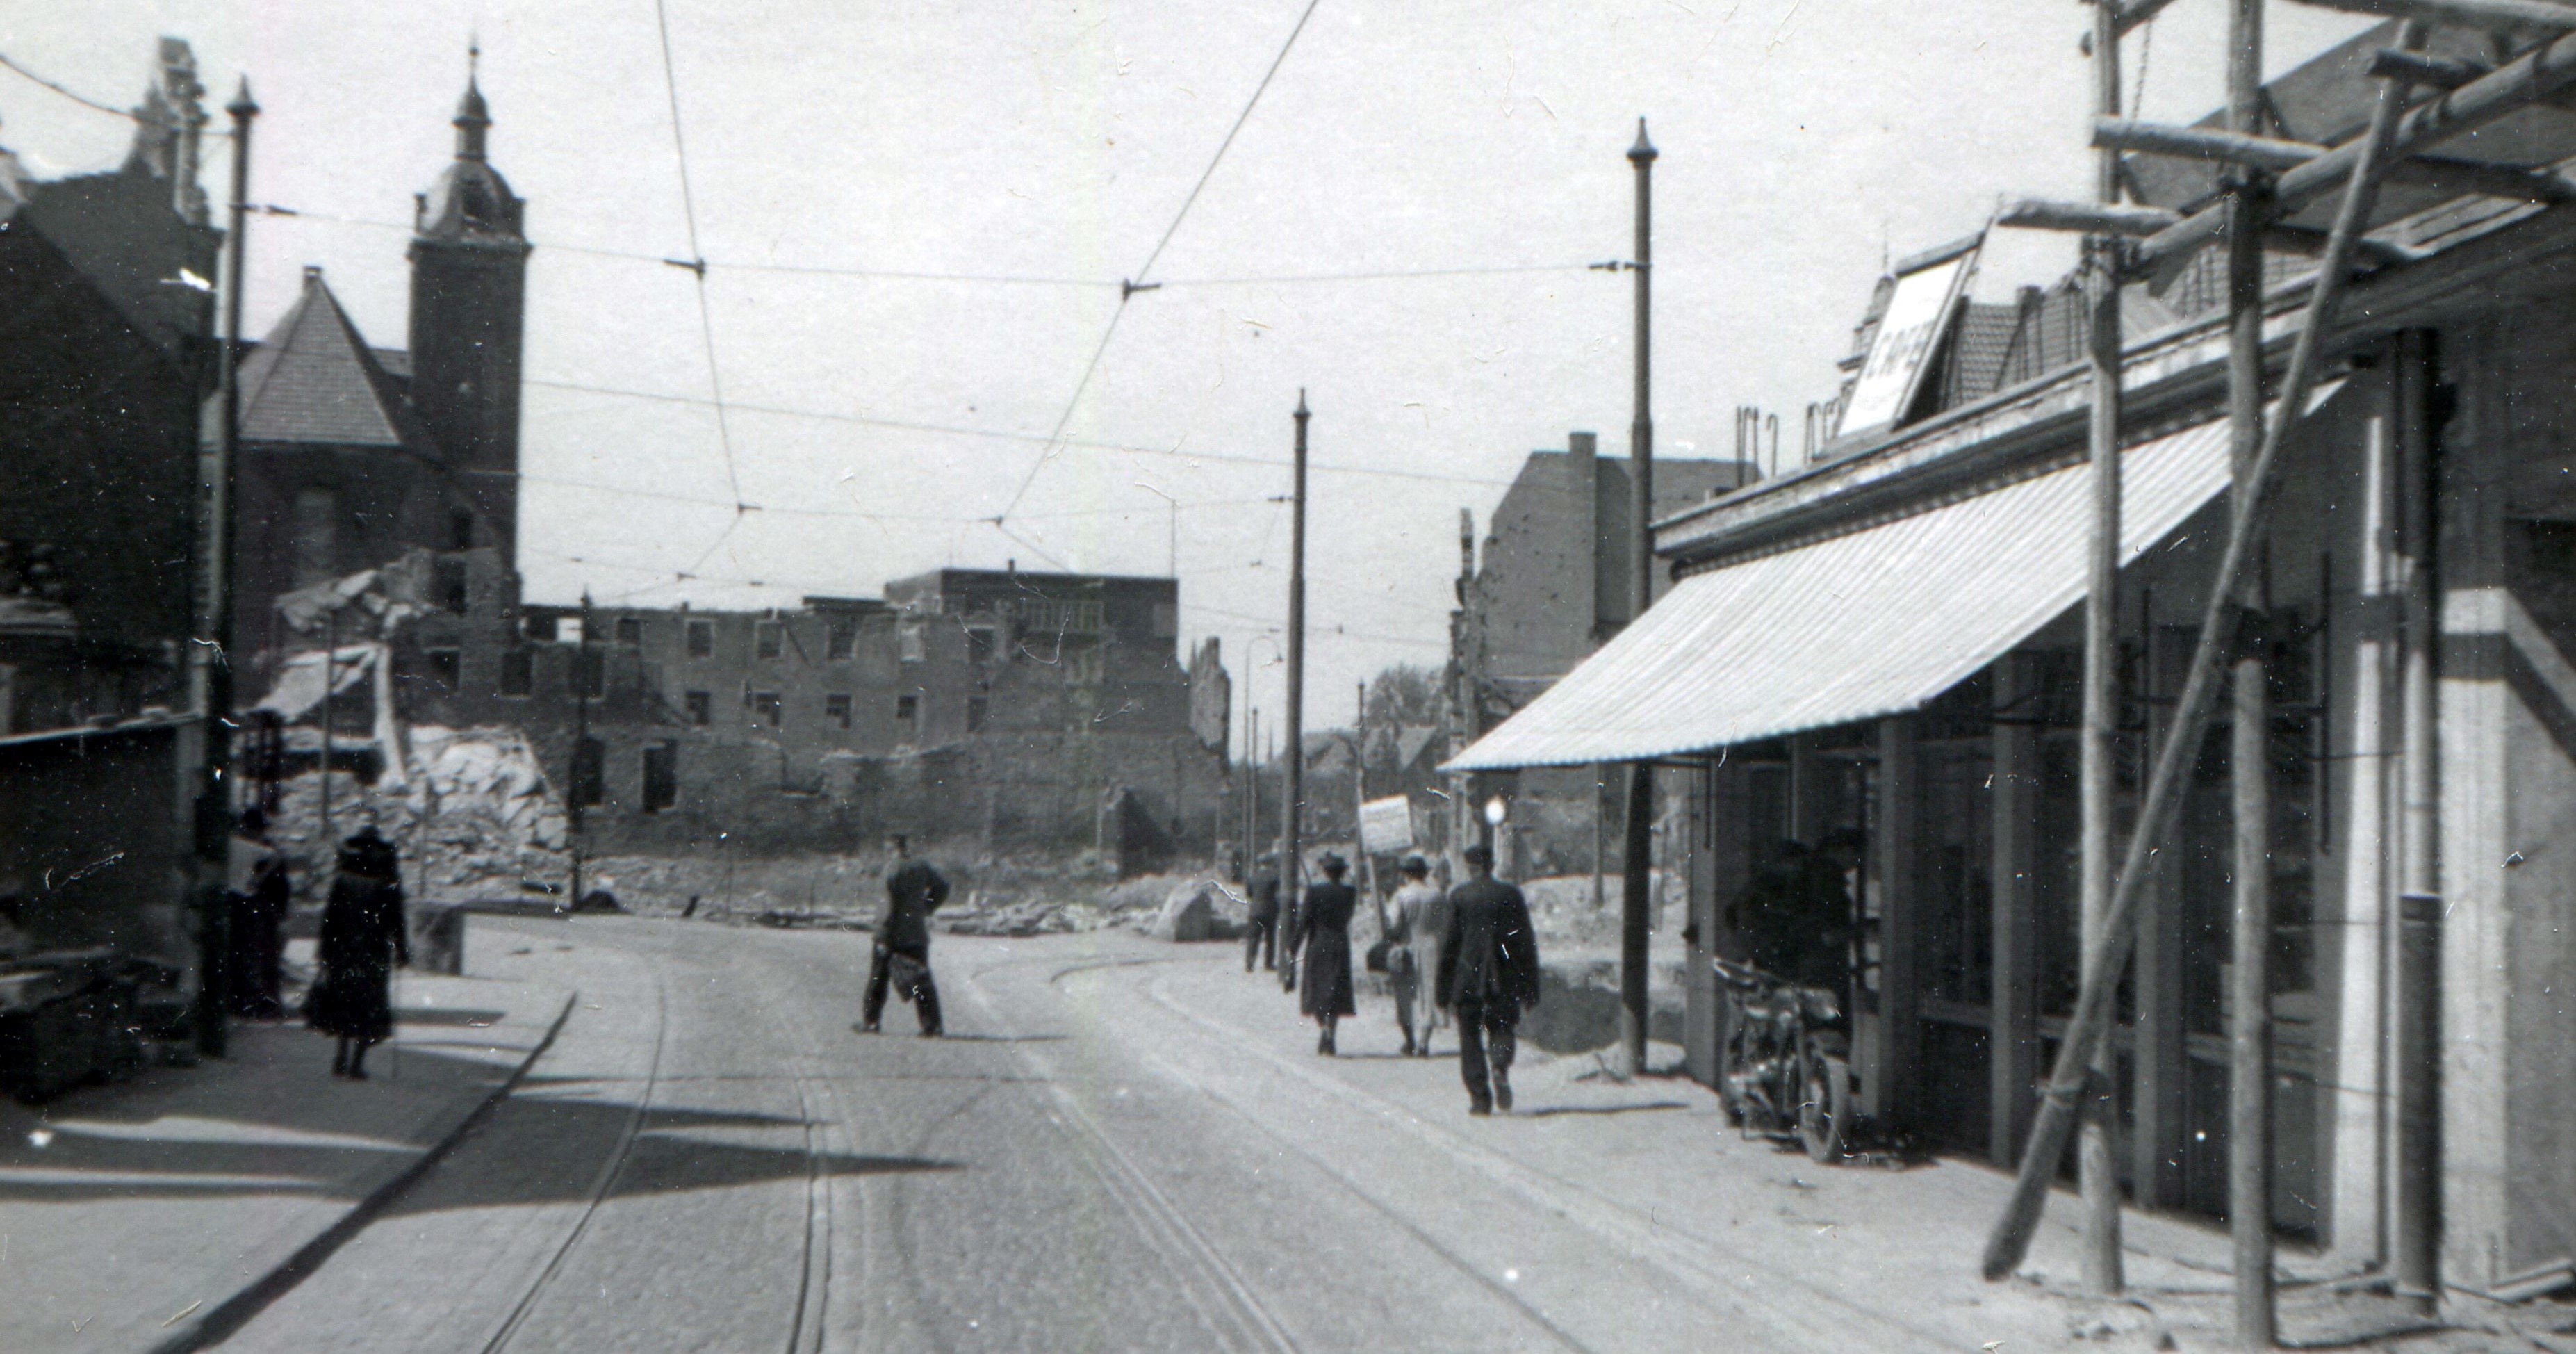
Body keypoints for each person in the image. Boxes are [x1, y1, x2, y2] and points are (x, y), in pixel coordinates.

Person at [1436, 842, 1541, 1116]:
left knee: (1469, 1038)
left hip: (1467, 978)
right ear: (1491, 865)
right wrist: (1531, 988)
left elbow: (1448, 945)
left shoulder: (1459, 896)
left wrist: (1442, 991)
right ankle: (1500, 1066)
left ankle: (1480, 1099)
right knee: (1503, 1028)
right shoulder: (1511, 894)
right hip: (1504, 977)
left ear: (1471, 867)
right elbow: (1526, 943)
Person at [309, 826, 409, 1079]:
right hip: (374, 952)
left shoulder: (343, 880)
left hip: (343, 951)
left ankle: (341, 1056)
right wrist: (402, 951)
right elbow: (397, 921)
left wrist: (323, 950)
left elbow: (329, 919)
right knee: (370, 1005)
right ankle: (356, 1064)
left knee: (344, 1002)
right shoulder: (387, 882)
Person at [862, 833, 949, 1036]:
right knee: (921, 980)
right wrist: (926, 908)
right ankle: (932, 1026)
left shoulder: (890, 870)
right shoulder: (921, 866)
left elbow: (887, 906)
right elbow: (943, 886)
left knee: (878, 979)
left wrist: (883, 936)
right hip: (916, 934)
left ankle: (871, 1023)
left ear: (890, 848)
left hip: (892, 934)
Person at [225, 808, 291, 1018]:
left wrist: (279, 910)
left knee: (262, 958)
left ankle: (264, 1004)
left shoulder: (261, 849)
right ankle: (250, 1002)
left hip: (263, 909)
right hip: (254, 908)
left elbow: (281, 884)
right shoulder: (257, 849)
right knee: (251, 957)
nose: (259, 833)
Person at [1297, 853, 1359, 1055]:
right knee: (1335, 992)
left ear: (1324, 871)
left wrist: (1293, 947)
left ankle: (1323, 1029)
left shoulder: (1314, 892)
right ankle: (1331, 1034)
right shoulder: (1350, 892)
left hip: (1319, 944)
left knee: (1316, 990)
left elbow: (1305, 921)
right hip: (1340, 943)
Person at [1386, 854, 1447, 1057]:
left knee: (1405, 994)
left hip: (1407, 946)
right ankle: (1423, 1042)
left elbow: (1395, 925)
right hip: (1432, 946)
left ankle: (1410, 1040)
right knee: (1427, 993)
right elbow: (1445, 924)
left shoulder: (1402, 895)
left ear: (1405, 874)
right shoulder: (1437, 895)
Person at [1243, 850, 1281, 972]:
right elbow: (1277, 892)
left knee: (1253, 938)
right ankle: (1269, 963)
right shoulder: (1274, 877)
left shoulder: (1252, 877)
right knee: (1270, 939)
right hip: (1270, 910)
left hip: (1255, 910)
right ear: (1270, 863)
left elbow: (1249, 894)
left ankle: (1250, 964)